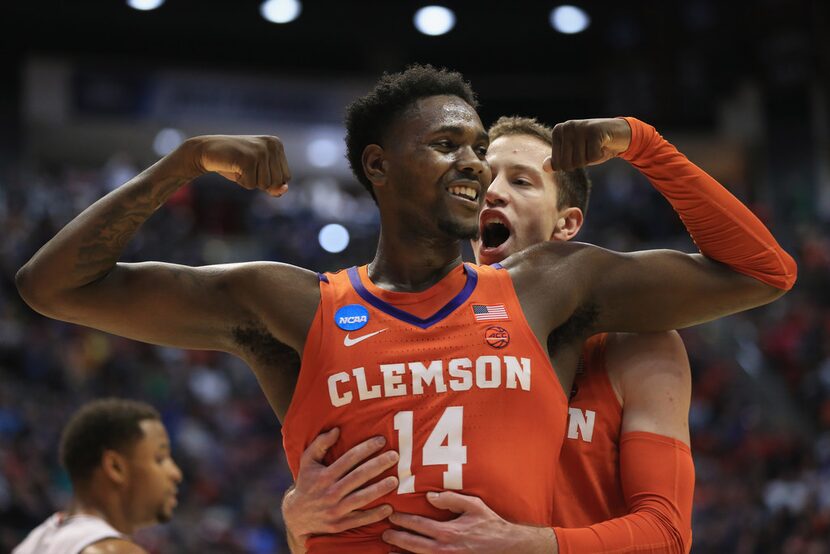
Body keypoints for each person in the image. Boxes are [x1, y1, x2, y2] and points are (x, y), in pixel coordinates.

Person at [16, 65, 796, 552]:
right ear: (378, 168)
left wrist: (645, 143)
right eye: (448, 144)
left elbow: (761, 273)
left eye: (477, 146)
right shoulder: (292, 304)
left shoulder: (552, 288)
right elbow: (52, 287)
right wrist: (181, 165)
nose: (473, 161)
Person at [281, 115, 696, 554]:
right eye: (485, 176)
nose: (492, 191)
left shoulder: (634, 343)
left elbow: (668, 536)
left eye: (522, 181)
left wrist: (531, 546)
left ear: (567, 223)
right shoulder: (414, 334)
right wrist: (298, 517)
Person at [13, 398, 182, 554]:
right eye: (160, 459)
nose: (176, 473)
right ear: (115, 467)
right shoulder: (114, 551)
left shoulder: (33, 543)